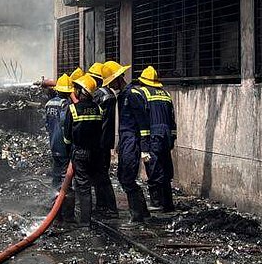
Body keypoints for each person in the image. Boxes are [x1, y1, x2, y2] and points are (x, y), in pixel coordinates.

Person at [62, 72, 105, 226]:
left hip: (79, 152)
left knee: (83, 186)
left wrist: (69, 154)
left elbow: (67, 136)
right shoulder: (98, 109)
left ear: (82, 91)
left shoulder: (73, 109)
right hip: (95, 152)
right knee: (93, 182)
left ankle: (85, 221)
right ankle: (95, 214)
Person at [136, 66, 177, 213]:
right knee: (165, 169)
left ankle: (157, 202)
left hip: (153, 135)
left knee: (153, 168)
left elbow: (143, 121)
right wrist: (172, 138)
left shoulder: (143, 94)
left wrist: (144, 147)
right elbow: (172, 119)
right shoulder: (166, 94)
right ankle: (168, 204)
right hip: (166, 135)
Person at [94, 60, 129, 217]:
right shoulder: (112, 96)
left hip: (100, 142)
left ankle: (109, 208)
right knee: (99, 175)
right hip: (105, 141)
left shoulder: (103, 96)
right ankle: (103, 206)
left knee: (102, 176)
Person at [44, 71, 75, 195]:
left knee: (56, 173)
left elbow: (47, 125)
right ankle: (64, 199)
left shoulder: (48, 104)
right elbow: (65, 125)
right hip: (63, 144)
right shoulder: (65, 105)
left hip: (53, 143)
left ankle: (53, 197)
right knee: (65, 175)